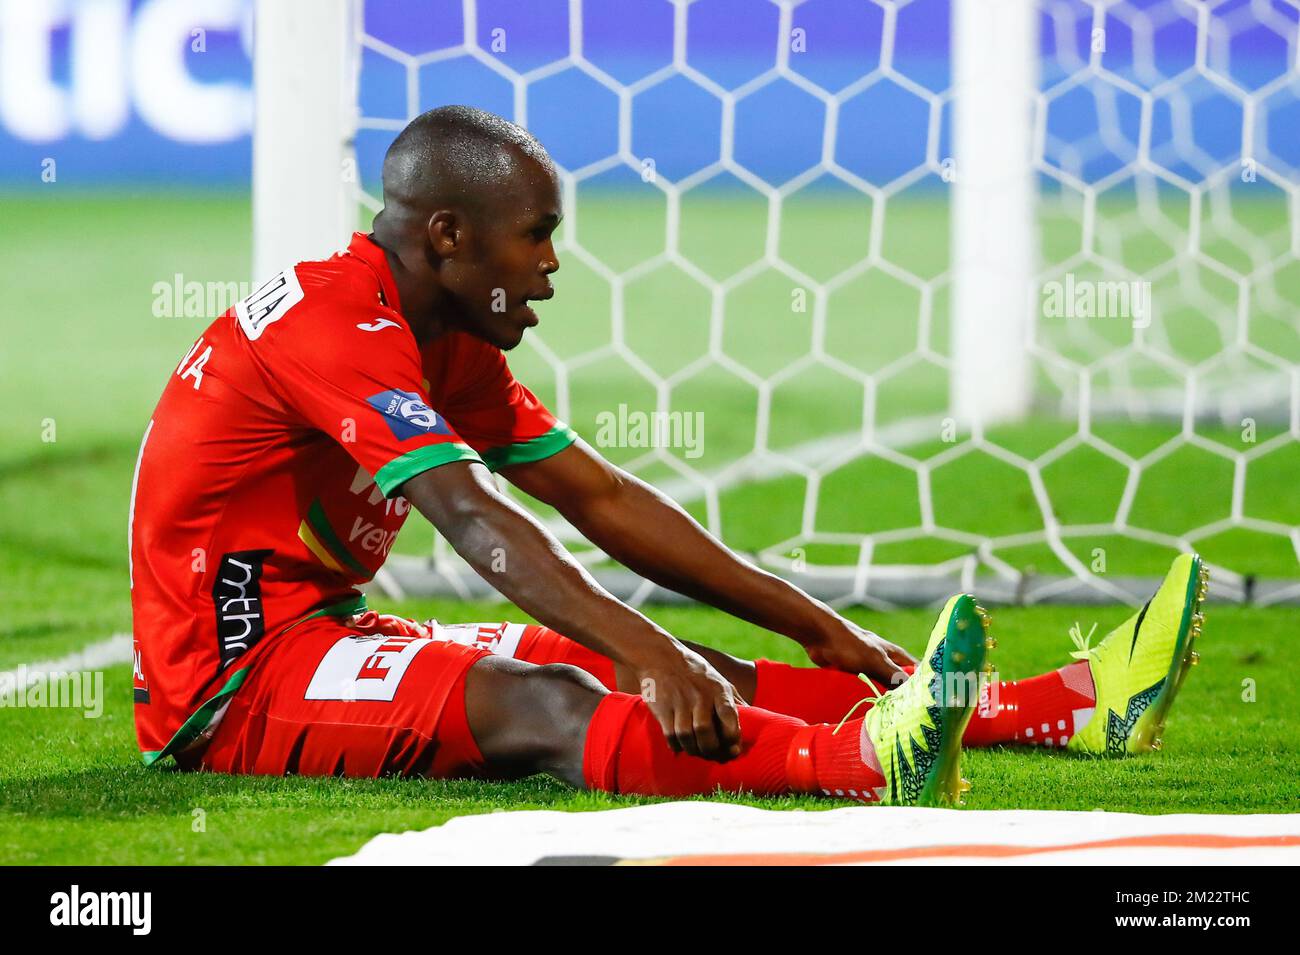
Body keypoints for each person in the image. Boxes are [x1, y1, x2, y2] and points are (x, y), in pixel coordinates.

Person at [129, 106, 1206, 806]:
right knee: (547, 697)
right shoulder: (332, 322)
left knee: (680, 667)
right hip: (230, 684)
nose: (550, 266)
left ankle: (1058, 707)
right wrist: (646, 649)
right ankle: (867, 767)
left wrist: (818, 627)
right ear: (449, 235)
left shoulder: (445, 338)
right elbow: (472, 519)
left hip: (322, 629)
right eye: (535, 234)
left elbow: (598, 496)